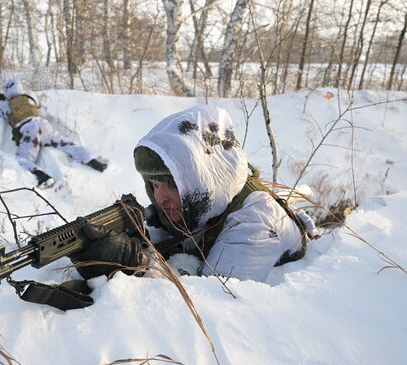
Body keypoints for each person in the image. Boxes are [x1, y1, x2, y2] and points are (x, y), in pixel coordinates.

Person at [69, 105, 317, 282]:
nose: (161, 199)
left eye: (173, 186)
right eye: (154, 186)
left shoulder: (255, 226)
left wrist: (139, 264)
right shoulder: (212, 201)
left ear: (204, 179)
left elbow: (212, 308)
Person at [0, 78, 108, 188]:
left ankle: (42, 177)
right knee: (67, 145)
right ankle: (93, 162)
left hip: (29, 131)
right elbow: (36, 104)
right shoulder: (29, 96)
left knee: (23, 159)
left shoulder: (5, 105)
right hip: (43, 125)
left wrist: (0, 100)